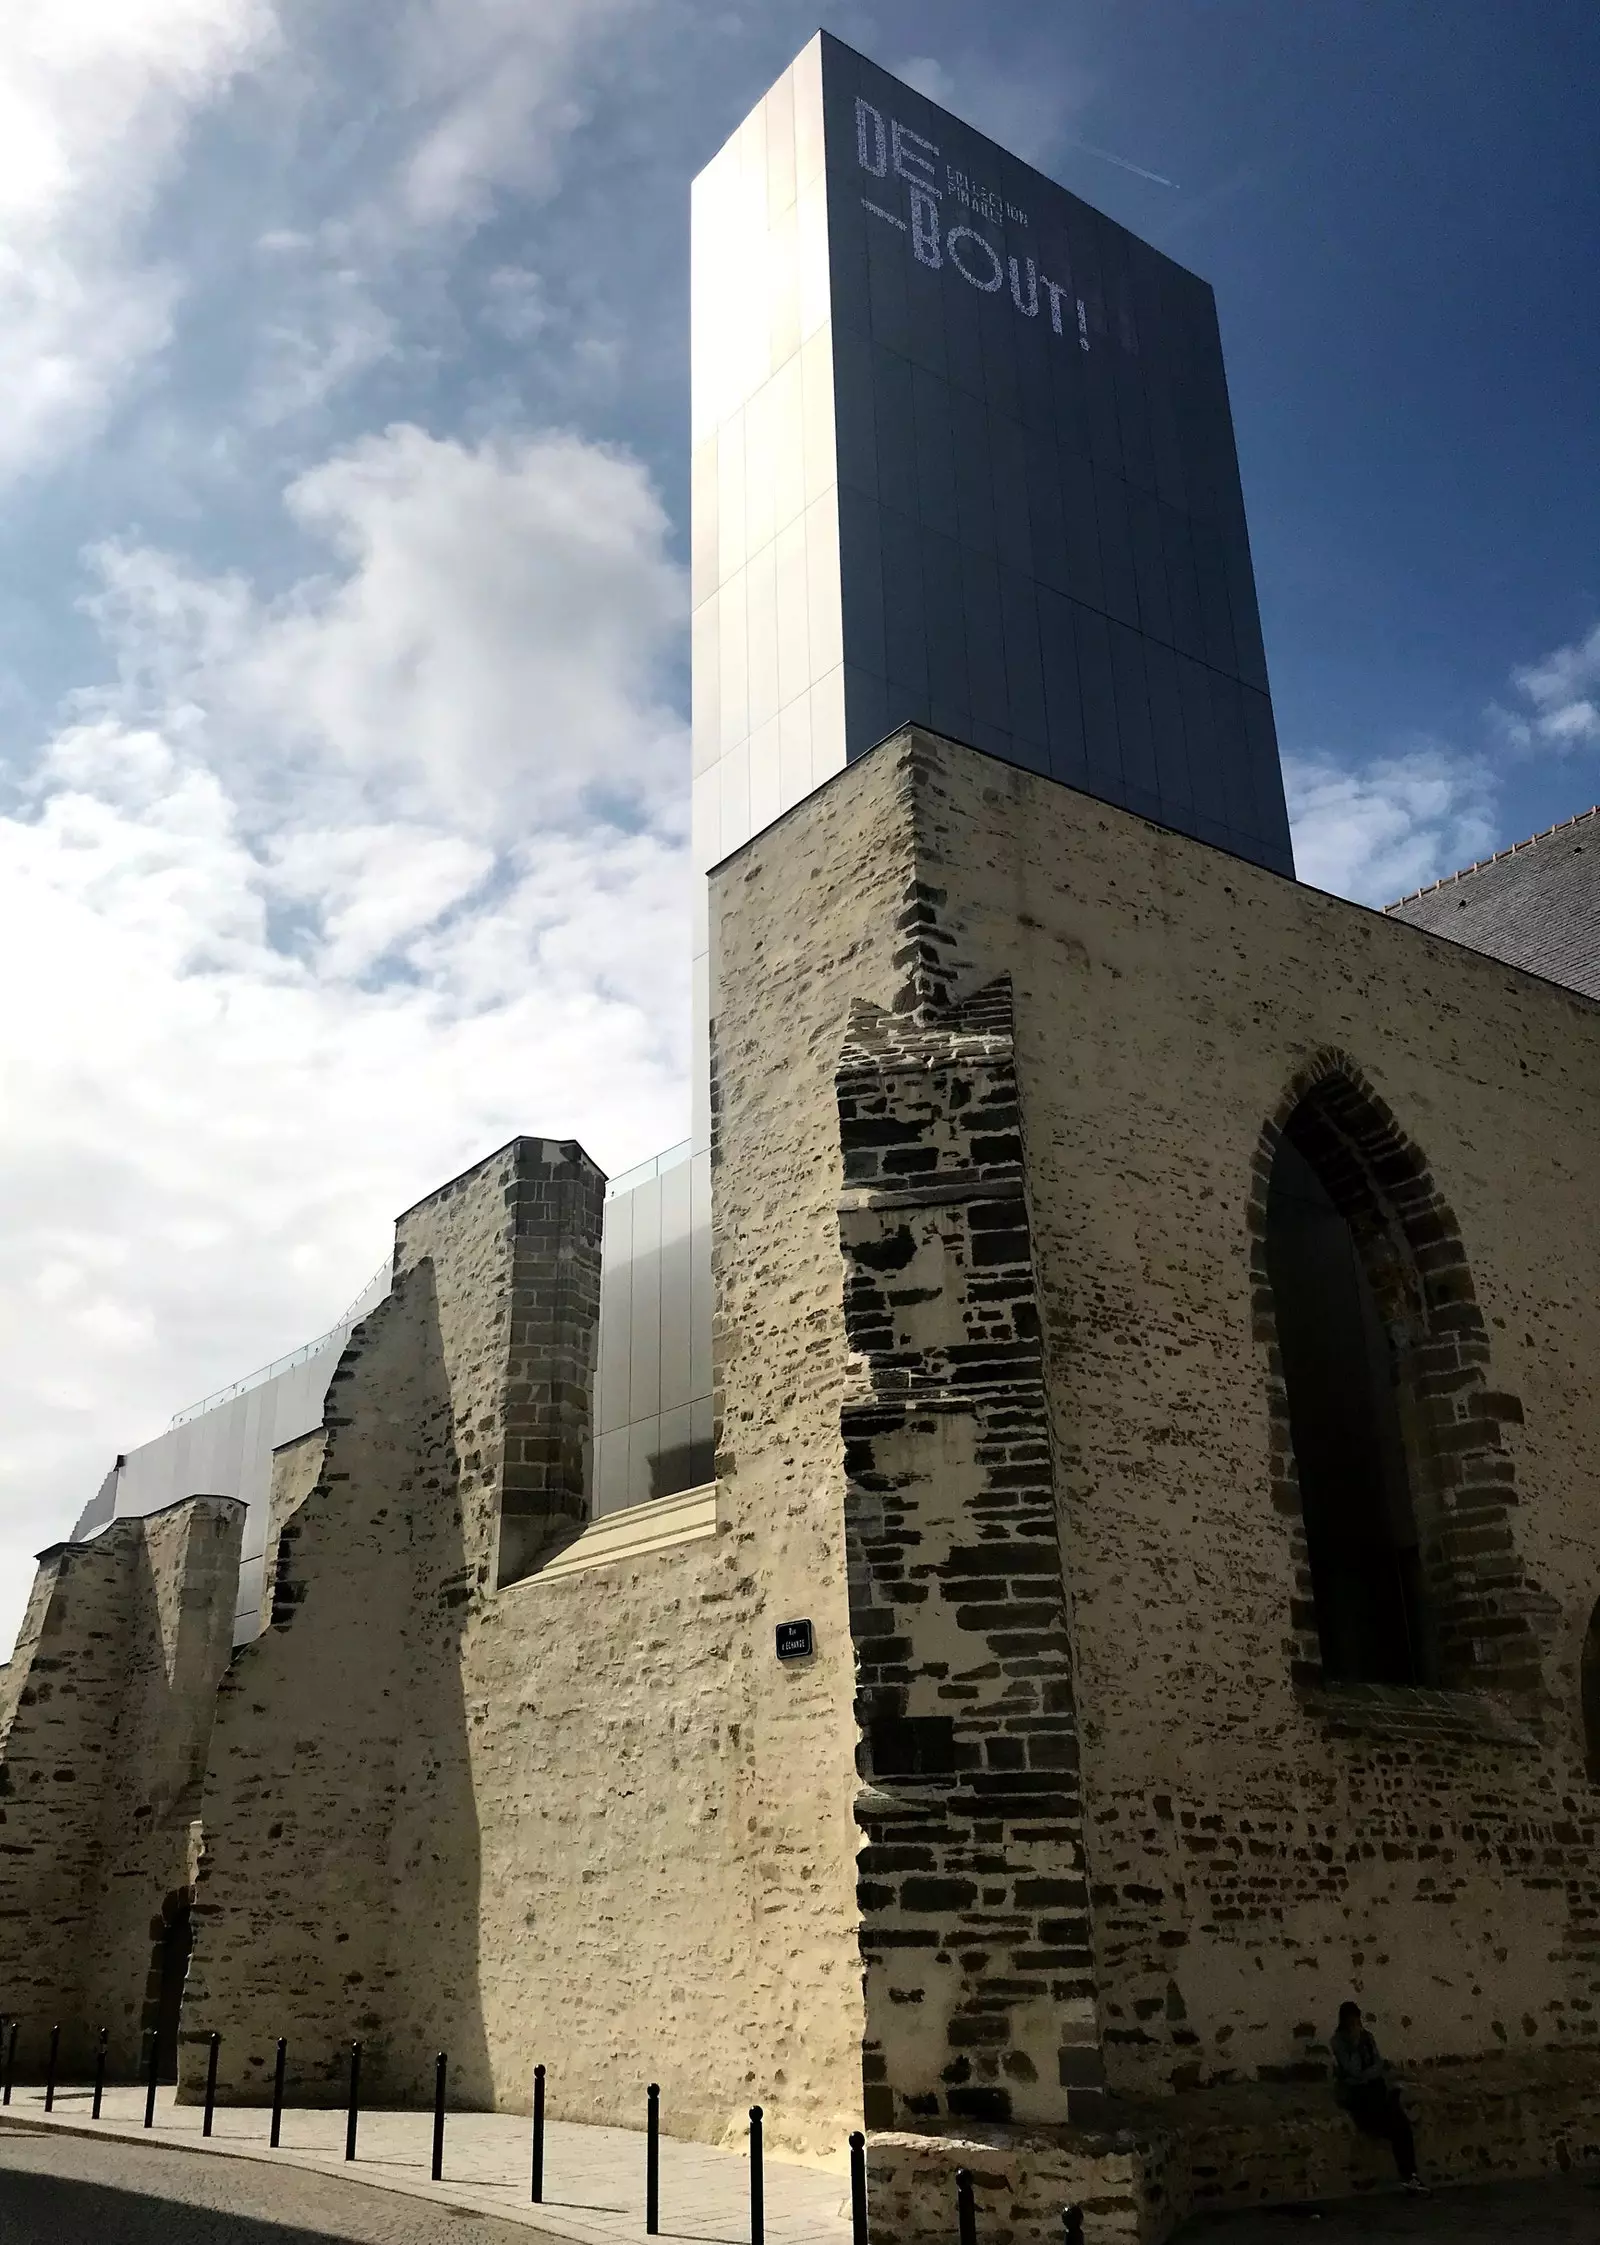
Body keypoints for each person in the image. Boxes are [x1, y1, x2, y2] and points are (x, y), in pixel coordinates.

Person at [1329, 2001, 1426, 2192]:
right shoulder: (1339, 2042)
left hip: (1373, 2086)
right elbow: (1352, 2069)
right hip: (1357, 2094)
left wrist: (1366, 2074)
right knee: (1386, 2117)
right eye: (1351, 2022)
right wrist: (1355, 2044)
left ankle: (1410, 2174)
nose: (1356, 2026)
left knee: (1401, 2125)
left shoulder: (1368, 2038)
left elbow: (1377, 2064)